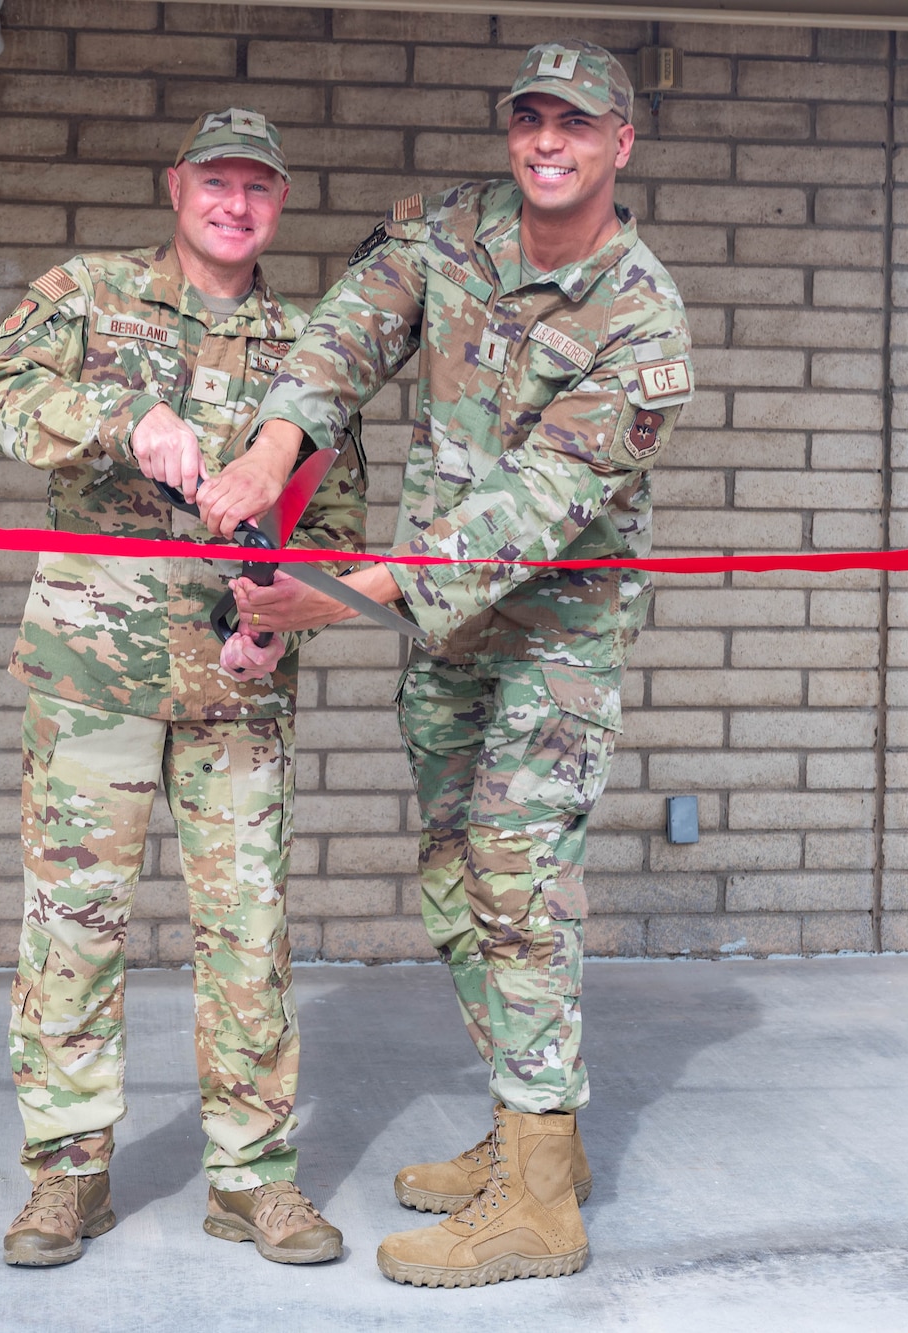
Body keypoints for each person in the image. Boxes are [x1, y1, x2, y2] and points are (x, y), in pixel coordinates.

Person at [207, 42, 693, 1287]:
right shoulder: (450, 230)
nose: (546, 142)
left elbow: (531, 509)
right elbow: (344, 338)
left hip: (554, 640)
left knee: (518, 891)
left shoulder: (640, 320)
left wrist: (339, 592)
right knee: (452, 886)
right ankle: (542, 1138)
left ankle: (538, 1207)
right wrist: (270, 450)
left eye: (574, 124)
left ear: (619, 143)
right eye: (528, 119)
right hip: (446, 634)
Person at [0, 107, 364, 1270]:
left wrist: (282, 629)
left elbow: (332, 525)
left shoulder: (309, 347)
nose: (234, 205)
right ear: (176, 185)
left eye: (259, 188)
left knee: (248, 932)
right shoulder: (87, 293)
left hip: (235, 688)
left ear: (278, 204)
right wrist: (118, 415)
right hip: (92, 673)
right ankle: (66, 1176)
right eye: (216, 183)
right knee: (72, 927)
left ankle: (253, 1178)